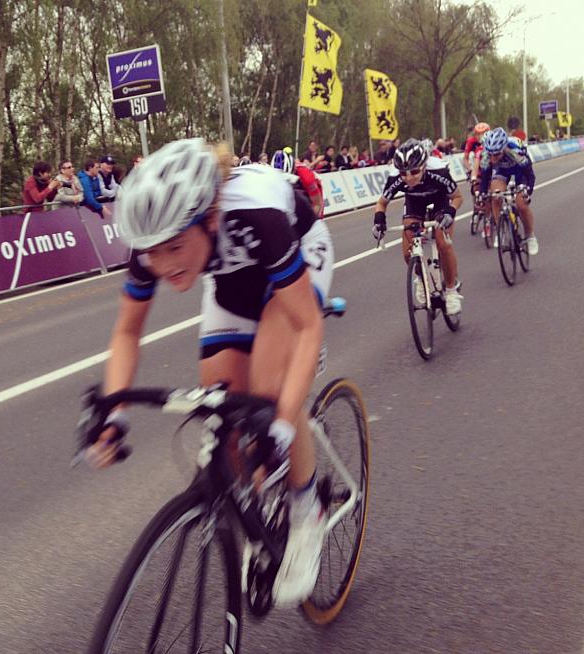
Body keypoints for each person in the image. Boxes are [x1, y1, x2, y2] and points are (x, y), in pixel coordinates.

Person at [83, 138, 334, 607]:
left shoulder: (256, 214)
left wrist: (278, 425)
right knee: (222, 406)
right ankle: (256, 516)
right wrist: (114, 413)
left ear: (211, 219)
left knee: (267, 392)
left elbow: (306, 326)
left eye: (175, 247)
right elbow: (126, 335)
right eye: (152, 253)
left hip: (296, 255)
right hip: (231, 278)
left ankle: (307, 508)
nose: (163, 265)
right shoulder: (154, 245)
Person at [371, 138, 464, 315]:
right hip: (414, 201)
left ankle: (451, 290)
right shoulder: (395, 178)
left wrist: (450, 213)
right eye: (403, 173)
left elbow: (458, 198)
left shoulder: (439, 171)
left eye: (414, 171)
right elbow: (381, 203)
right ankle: (421, 279)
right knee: (407, 251)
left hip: (440, 200)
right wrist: (379, 220)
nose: (409, 177)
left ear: (423, 166)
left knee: (443, 243)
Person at [479, 127, 538, 255]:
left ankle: (530, 236)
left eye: (497, 154)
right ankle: (502, 230)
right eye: (491, 154)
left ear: (504, 148)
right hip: (501, 172)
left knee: (521, 205)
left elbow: (530, 175)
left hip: (520, 172)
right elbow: (484, 176)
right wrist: (482, 194)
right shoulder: (486, 154)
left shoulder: (515, 150)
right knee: (495, 195)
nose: (493, 158)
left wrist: (528, 191)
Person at [271, 146, 324, 218]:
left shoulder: (306, 176)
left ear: (292, 170)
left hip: (311, 189)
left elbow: (317, 203)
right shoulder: (271, 174)